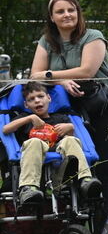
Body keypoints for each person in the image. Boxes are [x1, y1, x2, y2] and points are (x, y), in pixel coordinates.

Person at [31, 0, 108, 234]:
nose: (67, 15)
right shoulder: (46, 41)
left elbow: (86, 71)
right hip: (74, 114)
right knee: (76, 169)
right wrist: (61, 80)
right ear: (52, 18)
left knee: (103, 170)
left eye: (71, 10)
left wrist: (52, 75)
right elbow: (34, 74)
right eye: (61, 11)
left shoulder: (93, 37)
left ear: (78, 13)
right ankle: (106, 216)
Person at [3, 81, 100, 209]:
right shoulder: (24, 118)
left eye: (40, 96)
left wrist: (70, 127)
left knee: (70, 141)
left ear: (49, 98)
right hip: (34, 158)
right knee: (35, 141)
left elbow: (72, 140)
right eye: (31, 99)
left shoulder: (61, 118)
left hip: (61, 166)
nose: (37, 101)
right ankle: (28, 188)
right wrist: (29, 118)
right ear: (26, 105)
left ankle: (85, 180)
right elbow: (5, 129)